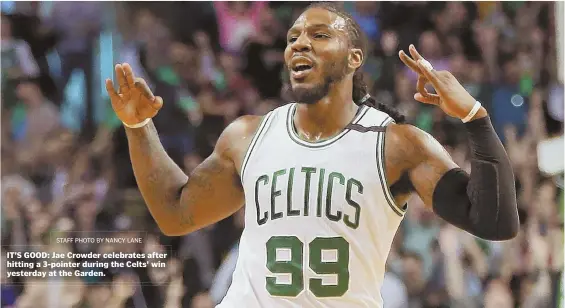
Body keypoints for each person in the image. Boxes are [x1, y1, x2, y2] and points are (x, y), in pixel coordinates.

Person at [105, 3, 519, 307]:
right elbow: (176, 214)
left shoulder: (397, 145)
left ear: (354, 58)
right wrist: (139, 127)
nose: (300, 43)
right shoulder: (247, 136)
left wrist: (474, 117)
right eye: (294, 37)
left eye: (319, 35)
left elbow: (494, 221)